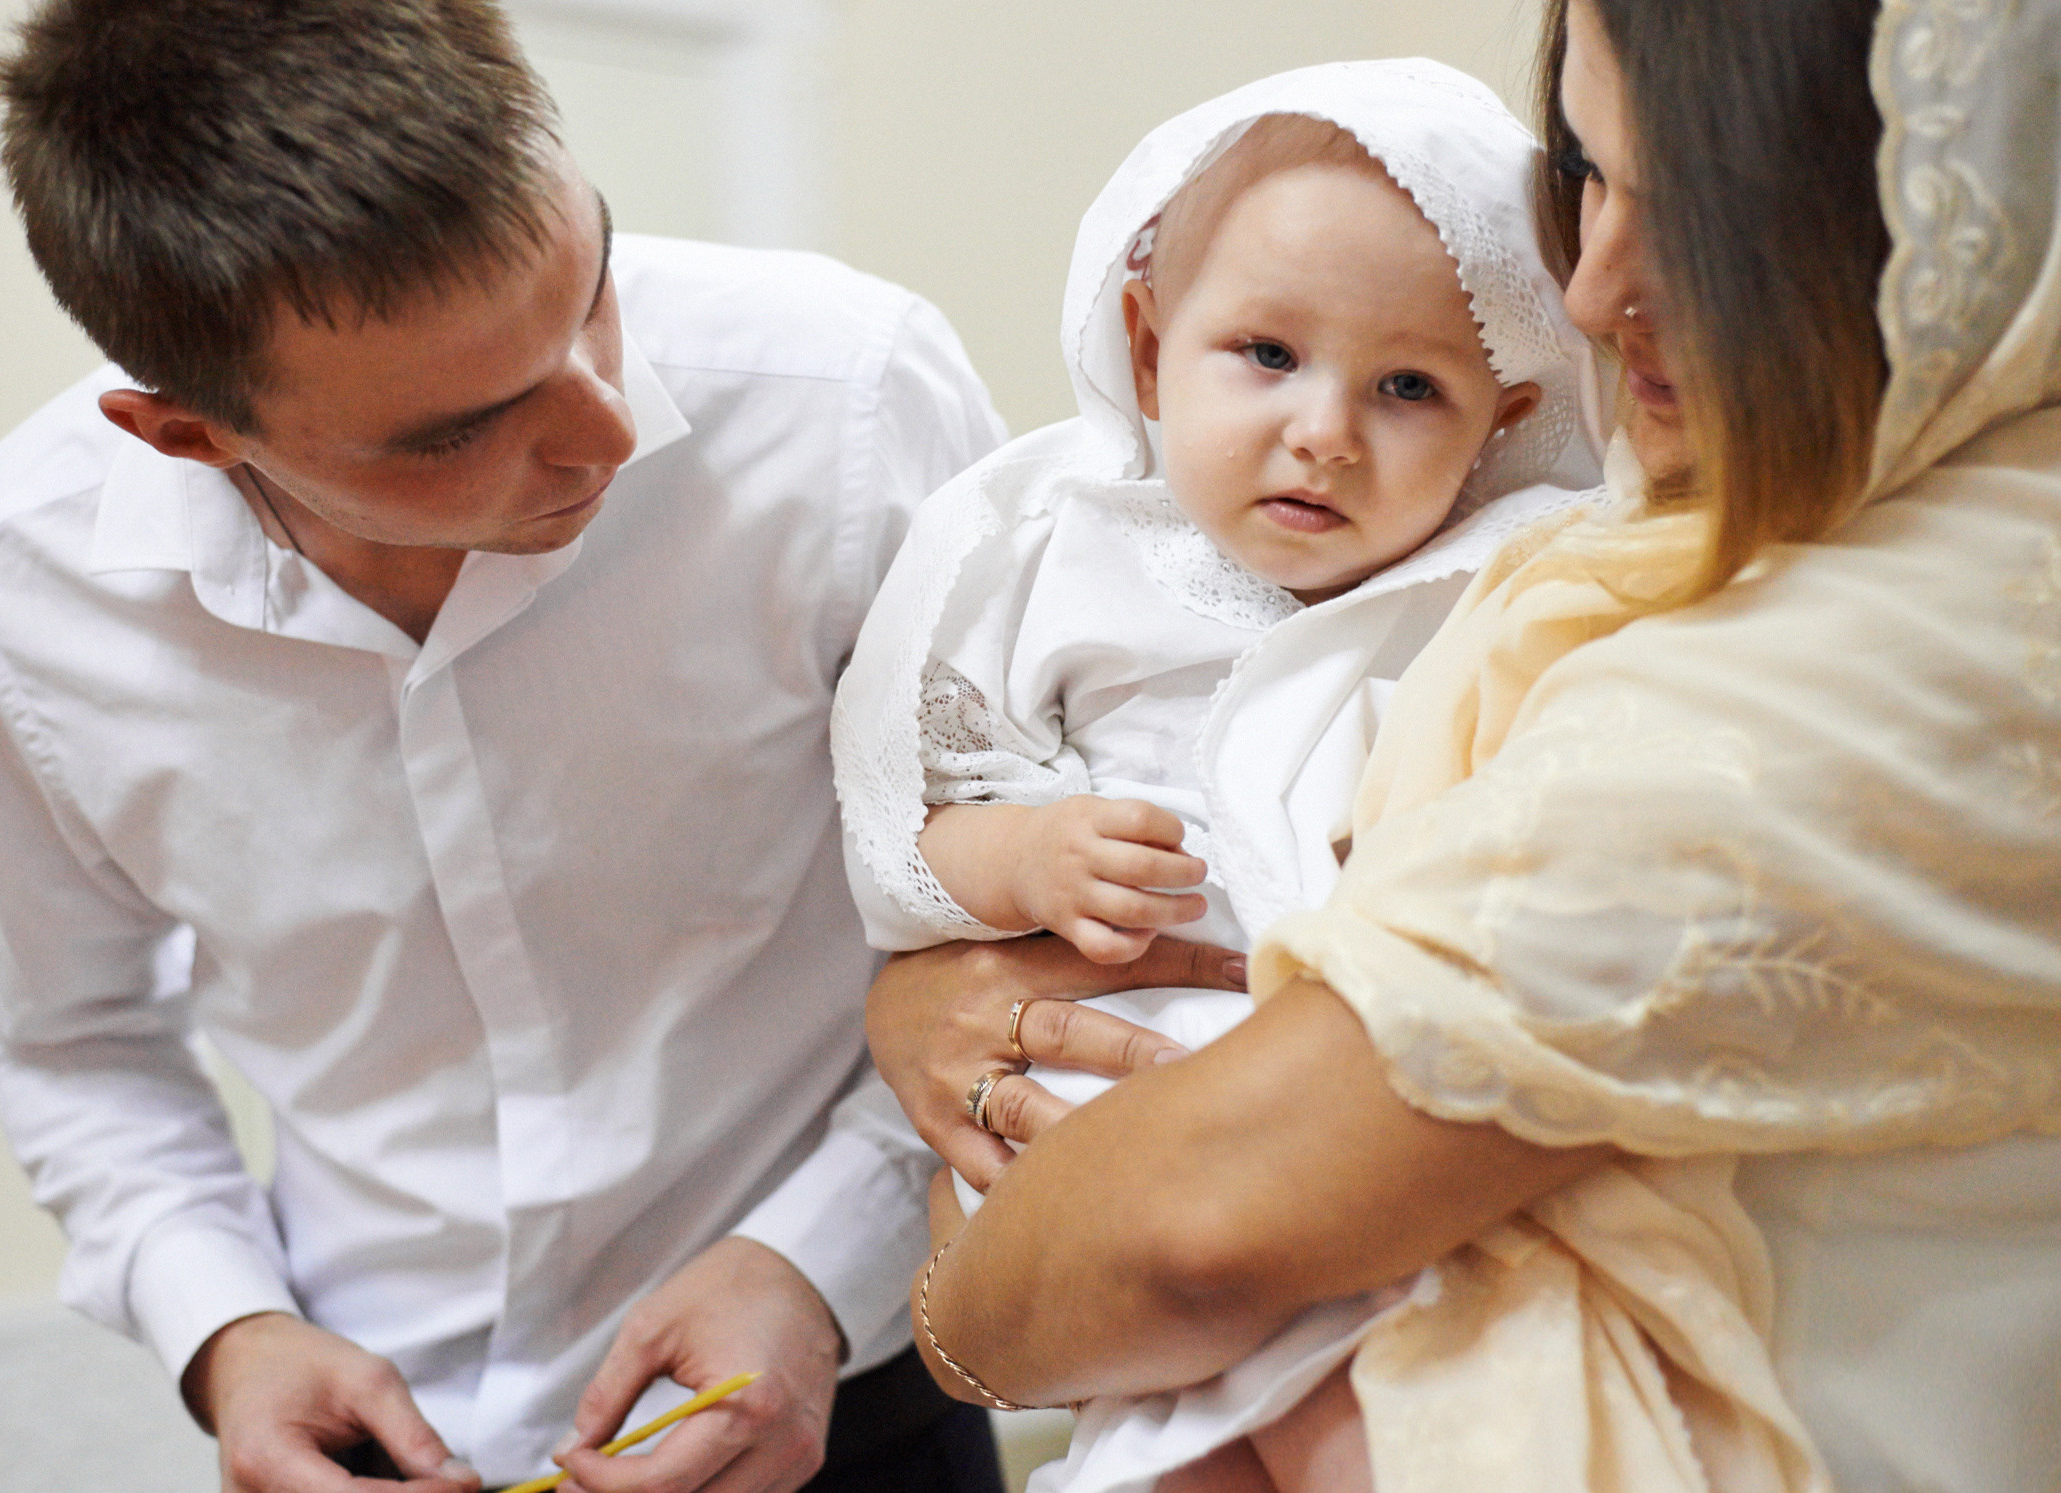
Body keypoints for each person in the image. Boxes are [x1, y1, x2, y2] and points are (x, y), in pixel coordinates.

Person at [874, 0, 2061, 1490]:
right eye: (1588, 174)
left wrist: (956, 1304)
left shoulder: (1892, 638)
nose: (1593, 287)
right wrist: (937, 973)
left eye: (1709, 214)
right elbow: (912, 801)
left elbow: (1190, 1231)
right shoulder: (1775, 501)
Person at [0, 0, 1051, 1488]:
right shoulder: (4, 595)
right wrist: (226, 1328)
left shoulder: (848, 405)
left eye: (593, 293)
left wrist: (820, 1265)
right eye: (455, 431)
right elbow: (73, 1040)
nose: (612, 430)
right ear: (187, 434)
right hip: (368, 1433)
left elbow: (1028, 922)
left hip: (854, 1393)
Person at [831, 62, 1601, 1493]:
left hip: (1346, 1127)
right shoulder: (1051, 545)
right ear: (1146, 341)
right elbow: (912, 814)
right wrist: (1033, 855)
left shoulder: (1495, 579)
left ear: (1498, 418)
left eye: (1408, 386)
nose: (1325, 429)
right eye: (1264, 353)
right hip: (1109, 1092)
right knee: (1156, 1451)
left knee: (1362, 1436)